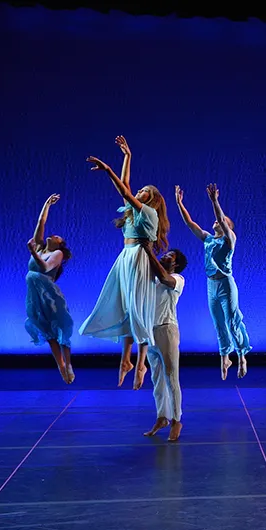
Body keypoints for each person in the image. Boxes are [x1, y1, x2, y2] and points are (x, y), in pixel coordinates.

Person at [80, 136, 169, 390]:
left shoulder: (148, 212)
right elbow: (127, 185)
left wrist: (108, 169)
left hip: (138, 259)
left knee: (137, 308)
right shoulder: (134, 212)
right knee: (124, 308)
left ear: (151, 200)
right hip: (125, 258)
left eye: (144, 193)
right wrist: (127, 157)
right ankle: (126, 360)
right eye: (140, 191)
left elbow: (123, 189)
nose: (138, 192)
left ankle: (140, 362)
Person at [175, 183, 251, 380]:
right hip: (211, 285)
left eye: (222, 220)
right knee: (218, 323)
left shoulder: (230, 239)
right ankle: (225, 356)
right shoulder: (208, 239)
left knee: (232, 321)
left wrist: (215, 201)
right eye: (217, 220)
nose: (217, 221)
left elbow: (222, 221)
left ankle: (242, 354)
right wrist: (179, 203)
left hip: (226, 284)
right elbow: (190, 223)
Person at [139, 241, 188, 442]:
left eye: (169, 256)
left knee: (171, 377)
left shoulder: (177, 278)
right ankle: (162, 417)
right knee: (157, 379)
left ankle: (177, 420)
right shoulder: (155, 280)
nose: (165, 256)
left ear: (175, 264)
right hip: (150, 332)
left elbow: (165, 278)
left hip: (167, 329)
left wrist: (150, 252)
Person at [25, 193, 74, 383]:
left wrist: (32, 253)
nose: (53, 235)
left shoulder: (58, 253)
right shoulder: (39, 246)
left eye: (57, 237)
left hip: (49, 295)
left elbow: (45, 268)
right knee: (47, 332)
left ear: (60, 244)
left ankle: (68, 363)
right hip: (35, 295)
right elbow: (41, 223)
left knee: (60, 328)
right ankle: (61, 367)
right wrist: (47, 204)